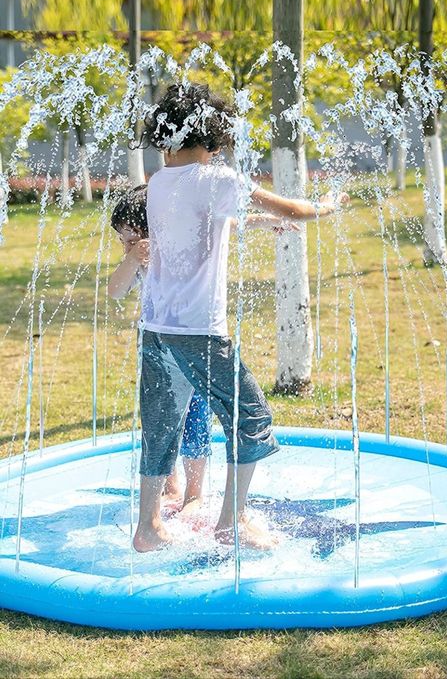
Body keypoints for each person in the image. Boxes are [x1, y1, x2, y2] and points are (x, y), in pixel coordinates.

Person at [133, 82, 349, 553]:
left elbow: (201, 222)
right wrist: (327, 206)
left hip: (155, 329)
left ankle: (148, 526)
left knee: (162, 424)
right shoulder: (219, 178)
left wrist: (254, 223)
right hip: (200, 332)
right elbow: (290, 206)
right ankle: (232, 522)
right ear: (212, 137)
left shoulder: (158, 182)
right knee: (250, 418)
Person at [108, 184, 299, 515]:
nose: (127, 244)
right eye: (123, 239)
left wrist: (268, 221)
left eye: (132, 237)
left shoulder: (190, 242)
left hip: (197, 344)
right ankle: (170, 484)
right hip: (158, 348)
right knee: (162, 420)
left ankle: (194, 493)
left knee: (196, 414)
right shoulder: (139, 260)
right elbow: (114, 291)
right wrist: (132, 258)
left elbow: (230, 225)